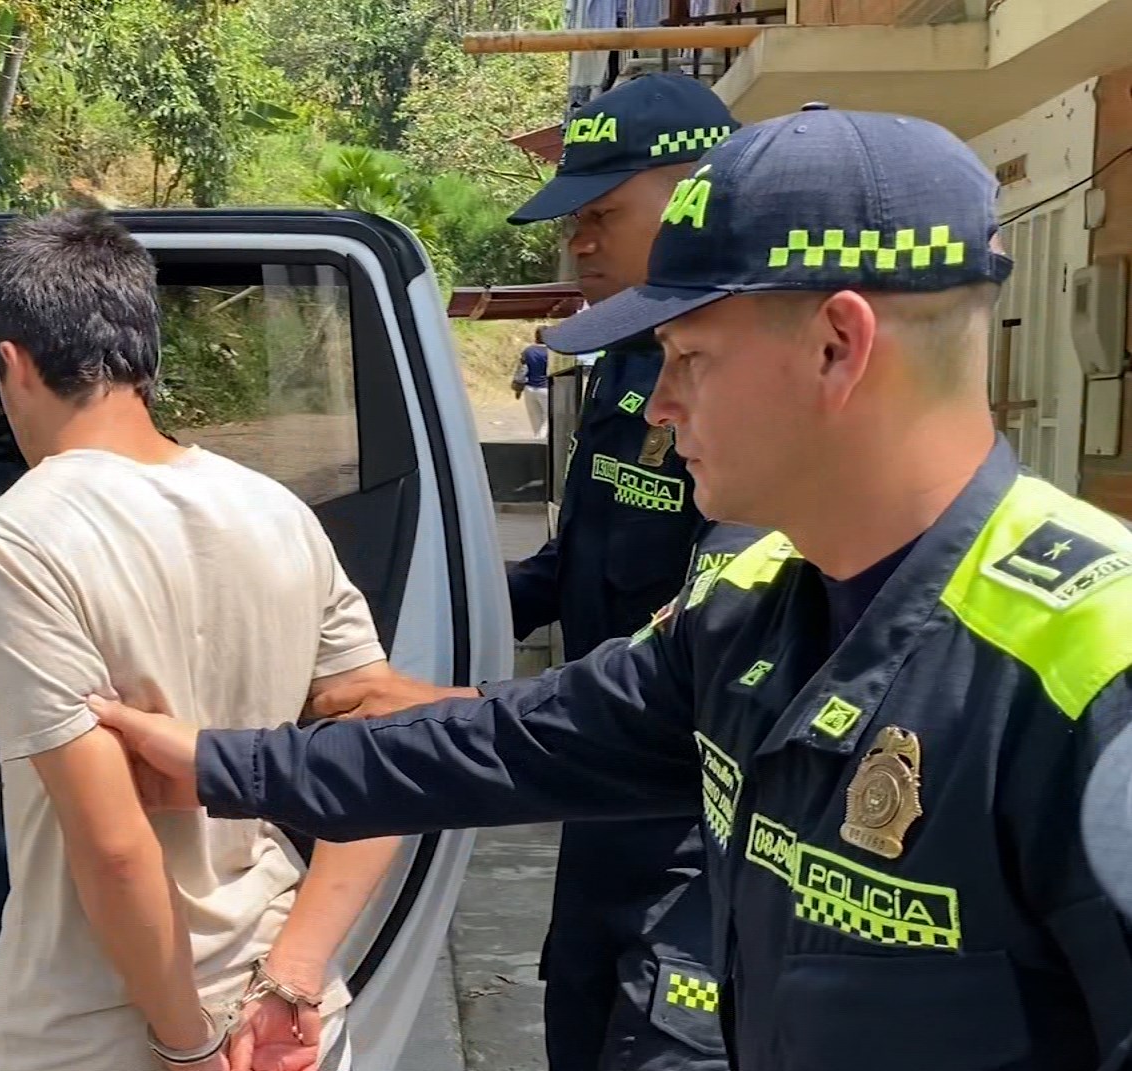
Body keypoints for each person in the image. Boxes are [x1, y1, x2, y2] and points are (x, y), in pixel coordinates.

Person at [91, 107, 1132, 1071]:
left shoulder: (1090, 666)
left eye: (688, 356)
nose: (662, 401)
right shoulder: (755, 605)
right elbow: (503, 745)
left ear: (836, 346)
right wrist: (212, 765)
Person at [0, 208, 403, 1071]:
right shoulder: (277, 510)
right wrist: (294, 973)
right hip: (286, 1016)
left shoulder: (17, 538)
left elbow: (115, 844)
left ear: (10, 362)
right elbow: (383, 762)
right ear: (144, 354)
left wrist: (186, 1046)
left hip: (97, 1026)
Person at [501, 71, 742, 1071]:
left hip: (692, 840)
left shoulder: (744, 395)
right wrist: (427, 609)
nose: (578, 242)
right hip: (599, 819)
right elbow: (581, 558)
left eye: (602, 212)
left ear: (696, 194)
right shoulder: (623, 368)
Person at [512, 328, 551, 438]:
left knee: (536, 421)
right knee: (547, 420)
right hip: (546, 388)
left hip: (529, 388)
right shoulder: (551, 352)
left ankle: (537, 442)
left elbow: (521, 370)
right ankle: (541, 443)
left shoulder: (528, 351)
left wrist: (518, 389)